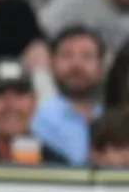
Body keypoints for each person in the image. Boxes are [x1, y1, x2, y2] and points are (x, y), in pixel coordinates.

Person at [30, 26, 105, 165]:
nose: (77, 65)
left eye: (87, 56)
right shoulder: (34, 118)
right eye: (67, 55)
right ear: (51, 64)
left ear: (100, 67)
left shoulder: (111, 119)